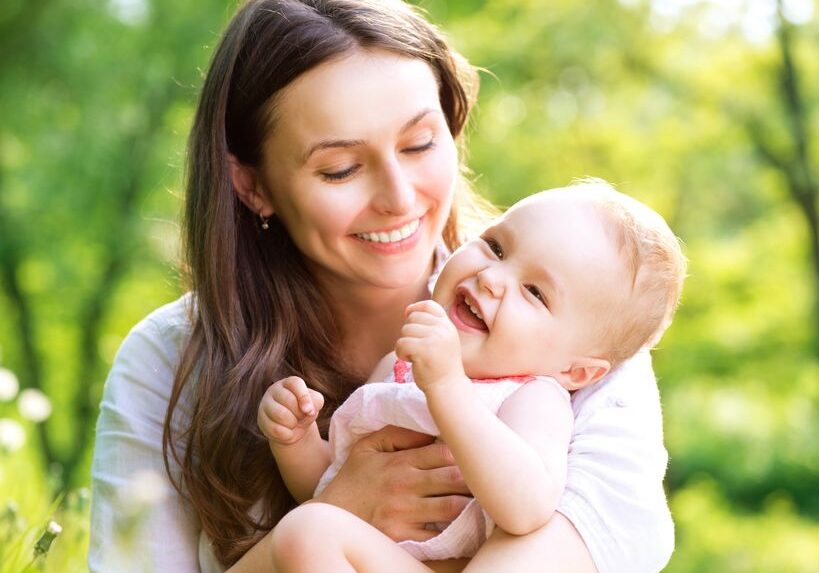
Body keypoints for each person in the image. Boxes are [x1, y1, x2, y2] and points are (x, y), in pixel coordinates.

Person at [88, 1, 676, 572]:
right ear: (253, 186)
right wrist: (334, 503)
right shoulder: (168, 364)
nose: (398, 198)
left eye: (419, 143)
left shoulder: (584, 332)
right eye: (340, 169)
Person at [250, 181, 686, 572]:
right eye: (496, 246)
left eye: (535, 292)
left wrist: (447, 387)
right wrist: (297, 442)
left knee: (307, 531)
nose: (492, 277)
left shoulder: (532, 398)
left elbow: (527, 507)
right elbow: (332, 487)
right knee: (305, 534)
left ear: (575, 370)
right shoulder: (397, 370)